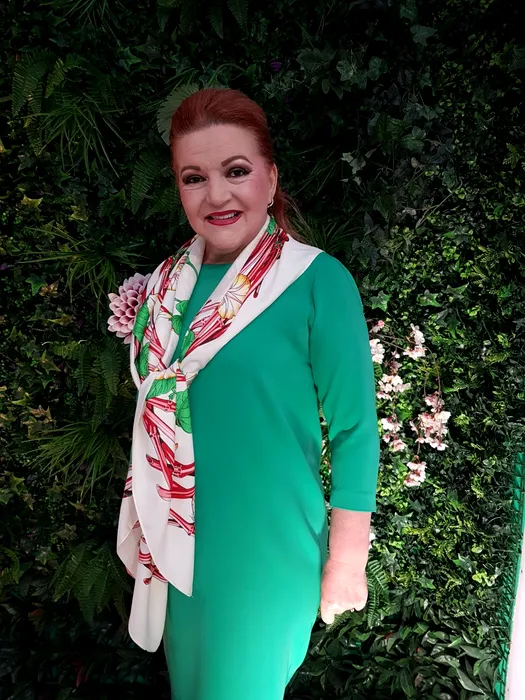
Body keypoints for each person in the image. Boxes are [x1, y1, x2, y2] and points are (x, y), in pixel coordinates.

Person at [116, 87, 380, 700]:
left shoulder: (315, 280)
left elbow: (354, 429)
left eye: (235, 171)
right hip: (177, 543)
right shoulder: (165, 289)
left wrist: (347, 561)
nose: (216, 195)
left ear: (270, 177)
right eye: (194, 178)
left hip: (266, 550)